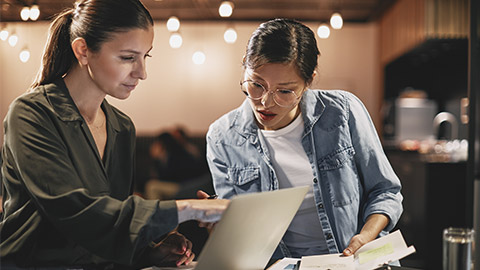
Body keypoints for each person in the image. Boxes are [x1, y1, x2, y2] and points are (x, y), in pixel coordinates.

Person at [0, 0, 228, 269]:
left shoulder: (121, 127)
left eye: (146, 56)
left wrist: (148, 253)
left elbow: (108, 227)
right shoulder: (31, 113)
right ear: (83, 51)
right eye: (128, 57)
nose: (142, 73)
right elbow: (76, 211)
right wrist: (189, 208)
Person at [206, 18, 403, 261]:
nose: (266, 102)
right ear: (244, 69)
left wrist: (366, 235)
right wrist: (221, 223)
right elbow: (240, 234)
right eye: (256, 84)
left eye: (285, 91)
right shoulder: (222, 137)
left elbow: (385, 191)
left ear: (308, 82)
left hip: (353, 261)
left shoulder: (344, 112)